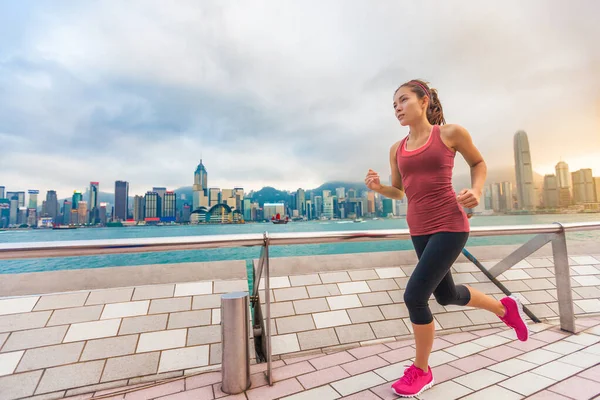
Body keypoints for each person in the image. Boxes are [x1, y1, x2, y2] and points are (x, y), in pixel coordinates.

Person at [365, 79, 529, 397]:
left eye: (402, 100)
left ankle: (422, 371)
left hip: (450, 225)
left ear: (423, 101)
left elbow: (478, 163)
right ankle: (505, 308)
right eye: (393, 105)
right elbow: (399, 190)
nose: (397, 108)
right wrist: (378, 189)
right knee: (446, 295)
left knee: (414, 296)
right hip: (419, 227)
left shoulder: (450, 133)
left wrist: (477, 190)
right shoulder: (396, 149)